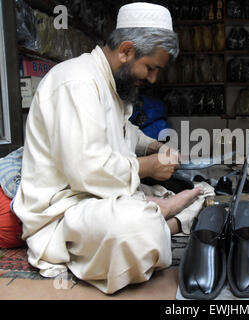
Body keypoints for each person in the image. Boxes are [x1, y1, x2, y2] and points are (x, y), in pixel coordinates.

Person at [12, 2, 214, 294]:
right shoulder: (78, 83)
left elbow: (124, 131)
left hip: (97, 198)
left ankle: (161, 210)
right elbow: (87, 170)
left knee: (201, 193)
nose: (153, 79)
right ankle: (167, 220)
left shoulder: (109, 85)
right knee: (134, 228)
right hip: (63, 210)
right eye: (151, 68)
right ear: (127, 51)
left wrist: (153, 146)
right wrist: (148, 167)